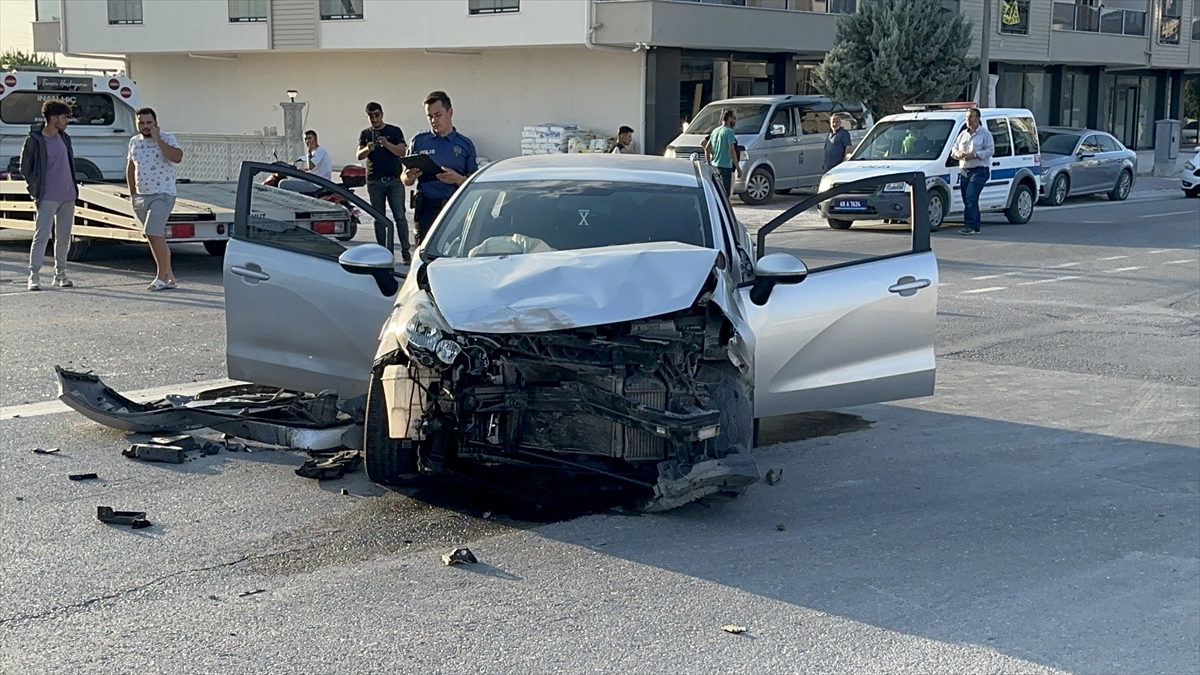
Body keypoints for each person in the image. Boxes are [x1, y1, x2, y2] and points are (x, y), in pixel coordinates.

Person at [402, 91, 477, 247]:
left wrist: (458, 179)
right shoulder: (418, 142)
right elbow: (404, 179)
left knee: (456, 251)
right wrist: (409, 176)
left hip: (455, 209)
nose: (434, 120)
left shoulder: (465, 144)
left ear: (450, 112)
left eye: (438, 115)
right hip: (426, 208)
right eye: (430, 116)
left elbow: (474, 183)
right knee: (423, 252)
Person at [20, 99, 79, 291]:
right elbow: (25, 168)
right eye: (64, 117)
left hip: (68, 195)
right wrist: (34, 188)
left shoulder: (65, 138)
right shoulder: (34, 140)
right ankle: (34, 276)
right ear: (53, 118)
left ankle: (60, 274)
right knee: (42, 236)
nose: (66, 121)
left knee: (63, 237)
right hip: (47, 195)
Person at [126, 107, 183, 291]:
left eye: (149, 123)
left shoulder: (167, 138)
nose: (145, 127)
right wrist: (133, 193)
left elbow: (177, 157)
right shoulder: (134, 141)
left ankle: (160, 276)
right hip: (142, 196)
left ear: (156, 123)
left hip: (163, 193)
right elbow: (131, 167)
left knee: (153, 232)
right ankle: (170, 277)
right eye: (141, 123)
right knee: (155, 238)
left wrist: (158, 139)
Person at [357, 102, 409, 259]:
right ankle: (382, 253)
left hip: (394, 180)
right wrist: (368, 149)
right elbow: (359, 155)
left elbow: (402, 151)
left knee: (400, 216)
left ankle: (406, 251)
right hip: (375, 181)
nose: (374, 119)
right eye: (371, 116)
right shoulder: (365, 134)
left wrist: (386, 144)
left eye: (376, 115)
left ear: (382, 114)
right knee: (379, 218)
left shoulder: (393, 131)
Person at [951, 108, 994, 235]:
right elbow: (954, 149)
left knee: (971, 196)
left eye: (971, 117)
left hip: (980, 170)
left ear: (978, 119)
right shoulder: (963, 134)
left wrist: (975, 155)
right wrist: (957, 154)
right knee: (968, 199)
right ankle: (976, 225)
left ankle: (968, 225)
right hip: (965, 170)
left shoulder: (985, 134)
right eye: (967, 117)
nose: (968, 120)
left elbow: (990, 150)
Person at [703, 109, 741, 198]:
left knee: (716, 192)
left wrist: (708, 162)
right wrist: (738, 168)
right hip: (725, 166)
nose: (734, 121)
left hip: (715, 166)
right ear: (729, 119)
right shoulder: (729, 132)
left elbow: (706, 148)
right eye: (734, 118)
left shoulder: (715, 131)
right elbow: (732, 150)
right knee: (725, 195)